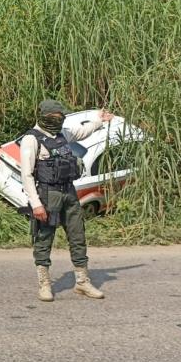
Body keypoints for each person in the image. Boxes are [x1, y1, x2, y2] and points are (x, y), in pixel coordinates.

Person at [21, 100, 113, 301]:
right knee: (44, 237)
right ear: (45, 116)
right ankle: (44, 284)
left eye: (61, 116)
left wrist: (99, 119)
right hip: (47, 194)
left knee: (77, 235)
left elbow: (83, 131)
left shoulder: (63, 134)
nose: (59, 120)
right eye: (56, 116)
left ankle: (82, 282)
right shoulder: (31, 139)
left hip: (69, 193)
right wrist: (36, 204)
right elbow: (26, 175)